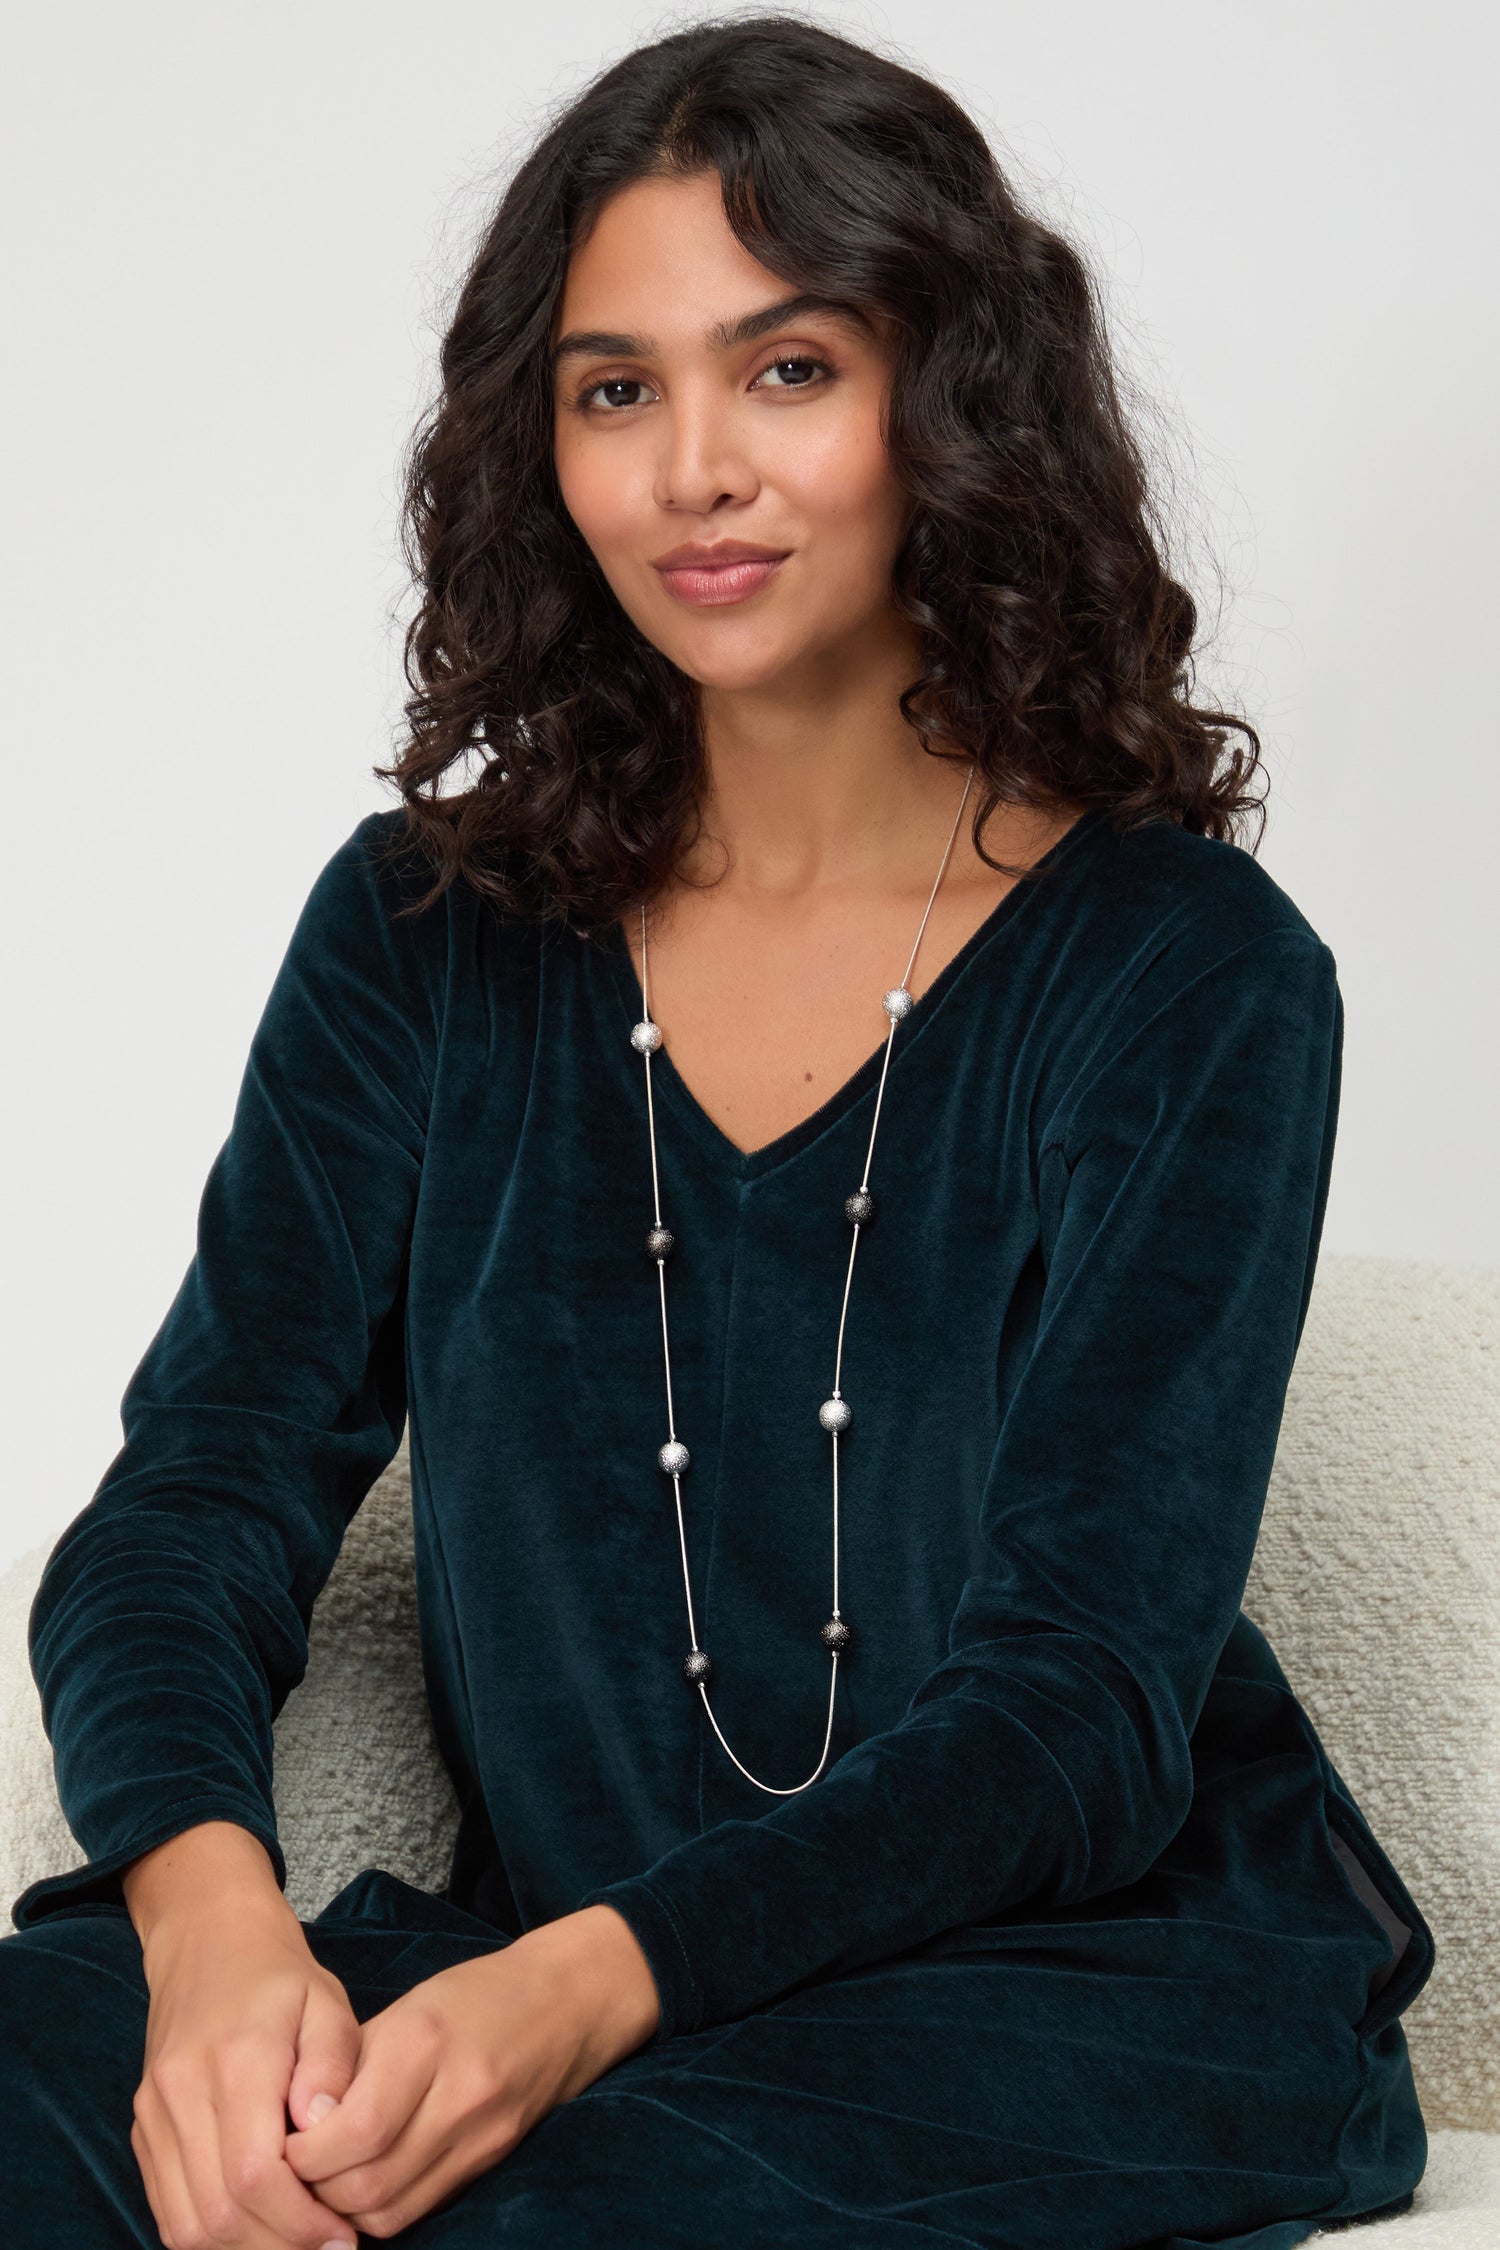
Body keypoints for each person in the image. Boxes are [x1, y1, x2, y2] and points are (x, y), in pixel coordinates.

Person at [0, 16, 1434, 2248]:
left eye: (786, 370)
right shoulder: (423, 939)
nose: (694, 472)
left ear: (946, 403)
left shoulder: (1194, 977)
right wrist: (208, 1944)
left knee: (522, 2188)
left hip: (1066, 1988)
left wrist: (571, 1996)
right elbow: (190, 1502)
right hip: (553, 1983)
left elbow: (1075, 1709)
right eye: (613, 389)